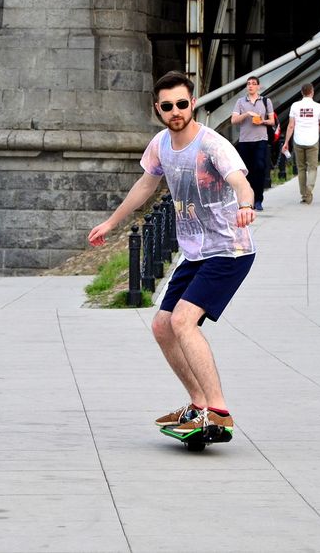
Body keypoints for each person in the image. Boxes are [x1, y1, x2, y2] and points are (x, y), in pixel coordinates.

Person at [87, 71, 256, 443]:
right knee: (162, 326)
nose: (176, 111)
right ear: (158, 109)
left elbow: (239, 180)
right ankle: (197, 404)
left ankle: (219, 412)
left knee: (182, 322)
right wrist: (112, 222)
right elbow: (146, 184)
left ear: (192, 103)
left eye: (182, 104)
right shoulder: (161, 144)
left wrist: (245, 204)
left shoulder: (212, 145)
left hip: (230, 248)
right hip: (195, 253)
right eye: (168, 106)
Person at [231, 76, 275, 211]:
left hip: (261, 139)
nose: (250, 86)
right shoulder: (240, 102)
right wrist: (246, 114)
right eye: (248, 84)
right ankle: (247, 200)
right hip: (245, 141)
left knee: (260, 168)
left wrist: (262, 121)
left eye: (253, 84)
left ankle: (258, 200)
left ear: (258, 87)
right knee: (246, 171)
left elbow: (272, 121)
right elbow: (233, 120)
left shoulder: (266, 101)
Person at [281, 83, 320, 204]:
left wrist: (286, 142)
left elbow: (291, 126)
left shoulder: (295, 106)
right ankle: (309, 190)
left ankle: (303, 195)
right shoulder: (318, 107)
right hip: (312, 140)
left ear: (302, 93)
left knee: (301, 168)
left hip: (298, 140)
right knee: (312, 167)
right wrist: (314, 130)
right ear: (312, 92)